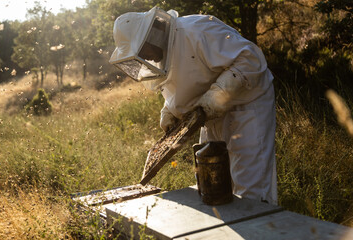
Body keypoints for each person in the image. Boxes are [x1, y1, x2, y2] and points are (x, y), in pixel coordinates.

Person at [109, 7, 278, 205]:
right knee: (214, 179)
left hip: (246, 105)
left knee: (250, 183)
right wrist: (169, 109)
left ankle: (259, 229)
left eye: (143, 50)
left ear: (151, 35)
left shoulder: (198, 30)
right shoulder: (162, 51)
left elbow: (251, 59)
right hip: (210, 114)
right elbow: (184, 80)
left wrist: (219, 94)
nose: (146, 58)